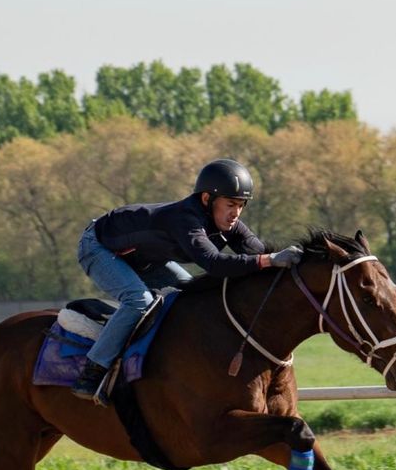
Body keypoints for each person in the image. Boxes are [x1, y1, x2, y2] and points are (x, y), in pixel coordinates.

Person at [71, 158, 304, 400]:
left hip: (146, 258)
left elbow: (260, 251)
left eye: (241, 205)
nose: (236, 213)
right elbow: (215, 263)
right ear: (207, 199)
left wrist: (302, 260)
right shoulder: (185, 220)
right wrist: (269, 260)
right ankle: (93, 371)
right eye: (230, 204)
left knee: (191, 296)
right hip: (99, 247)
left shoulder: (229, 224)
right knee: (138, 301)